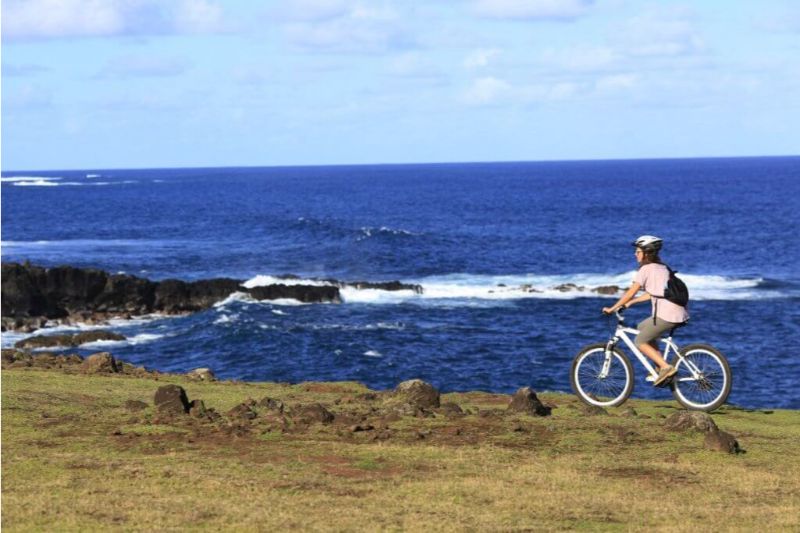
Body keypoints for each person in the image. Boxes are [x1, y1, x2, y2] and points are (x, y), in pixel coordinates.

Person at [602, 235, 689, 386]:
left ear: (647, 253)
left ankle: (665, 367)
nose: (635, 254)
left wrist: (612, 308)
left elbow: (631, 291)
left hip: (666, 315)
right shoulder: (663, 268)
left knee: (640, 340)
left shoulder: (645, 270)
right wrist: (632, 303)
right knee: (643, 327)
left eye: (638, 251)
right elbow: (653, 293)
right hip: (678, 312)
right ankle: (658, 365)